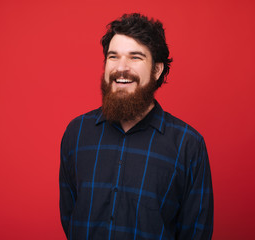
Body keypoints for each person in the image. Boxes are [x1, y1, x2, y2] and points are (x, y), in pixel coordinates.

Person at [59, 13, 213, 240]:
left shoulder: (188, 145)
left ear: (157, 70)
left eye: (135, 57)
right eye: (113, 56)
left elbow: (195, 233)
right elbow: (71, 218)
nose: (121, 68)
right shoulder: (77, 133)